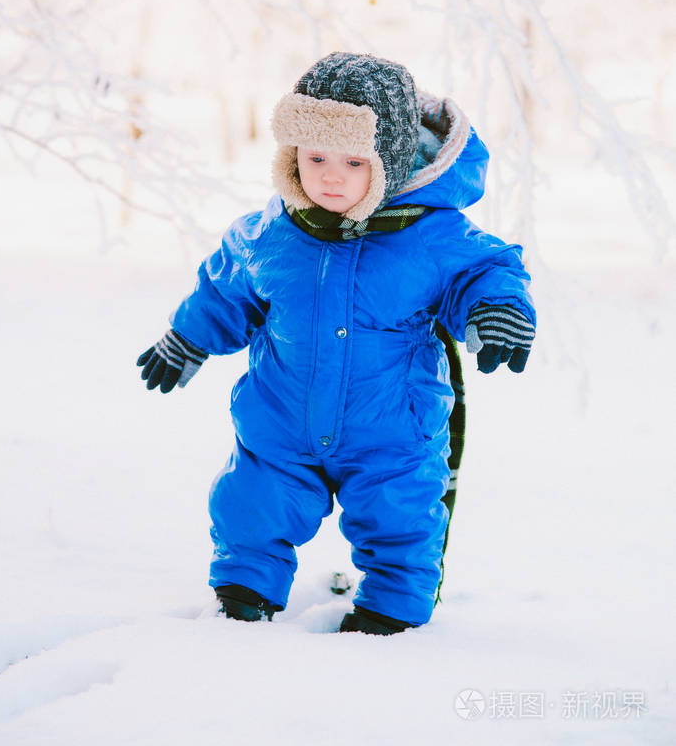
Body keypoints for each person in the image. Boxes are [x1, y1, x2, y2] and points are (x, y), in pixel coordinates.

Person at [137, 52, 536, 635]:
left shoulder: (429, 234)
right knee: (252, 505)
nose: (329, 175)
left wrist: (498, 309)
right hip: (280, 426)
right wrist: (187, 337)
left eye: (353, 162)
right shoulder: (272, 232)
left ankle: (390, 612)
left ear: (390, 163)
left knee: (402, 521)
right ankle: (244, 593)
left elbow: (484, 268)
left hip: (391, 434)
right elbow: (225, 288)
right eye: (315, 156)